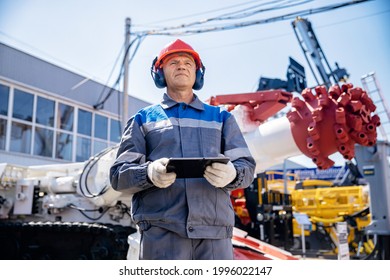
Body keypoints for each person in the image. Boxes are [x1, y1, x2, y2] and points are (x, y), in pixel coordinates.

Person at [110, 39, 256, 260]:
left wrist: (232, 174)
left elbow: (246, 167)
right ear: (160, 74)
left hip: (214, 236)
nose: (181, 66)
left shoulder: (221, 118)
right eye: (173, 62)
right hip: (161, 233)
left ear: (198, 72)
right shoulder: (142, 120)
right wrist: (148, 173)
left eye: (188, 62)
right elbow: (118, 175)